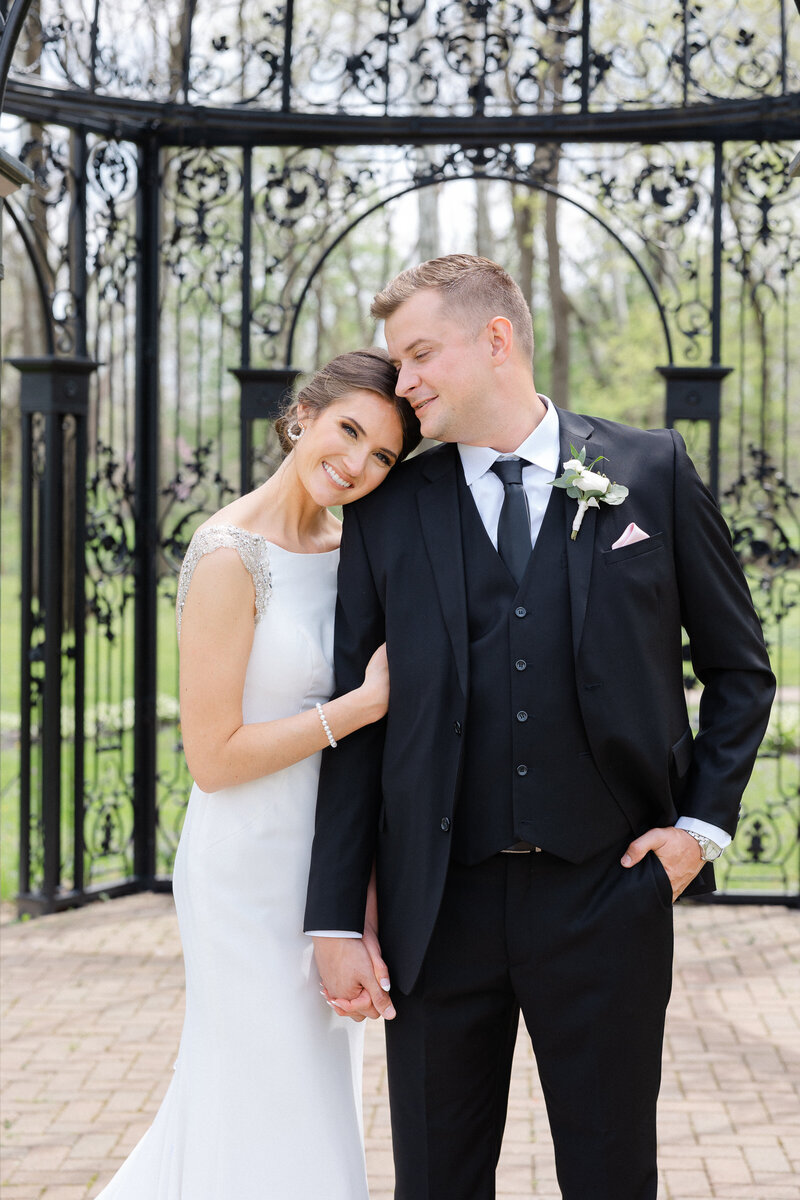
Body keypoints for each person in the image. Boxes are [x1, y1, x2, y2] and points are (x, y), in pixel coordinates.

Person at [305, 256, 776, 1200]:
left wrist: (698, 832)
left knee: (611, 1177)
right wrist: (334, 916)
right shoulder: (390, 510)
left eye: (421, 354)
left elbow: (740, 671)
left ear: (496, 338)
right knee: (436, 1182)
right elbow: (354, 726)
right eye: (399, 364)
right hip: (436, 910)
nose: (405, 384)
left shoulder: (651, 470)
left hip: (609, 896)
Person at [94, 348, 420, 1199]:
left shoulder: (355, 550)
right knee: (257, 1091)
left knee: (313, 1096)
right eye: (348, 430)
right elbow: (213, 757)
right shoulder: (229, 554)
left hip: (326, 868)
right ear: (303, 414)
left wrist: (363, 895)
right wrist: (359, 707)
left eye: (382, 455)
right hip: (245, 869)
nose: (355, 464)